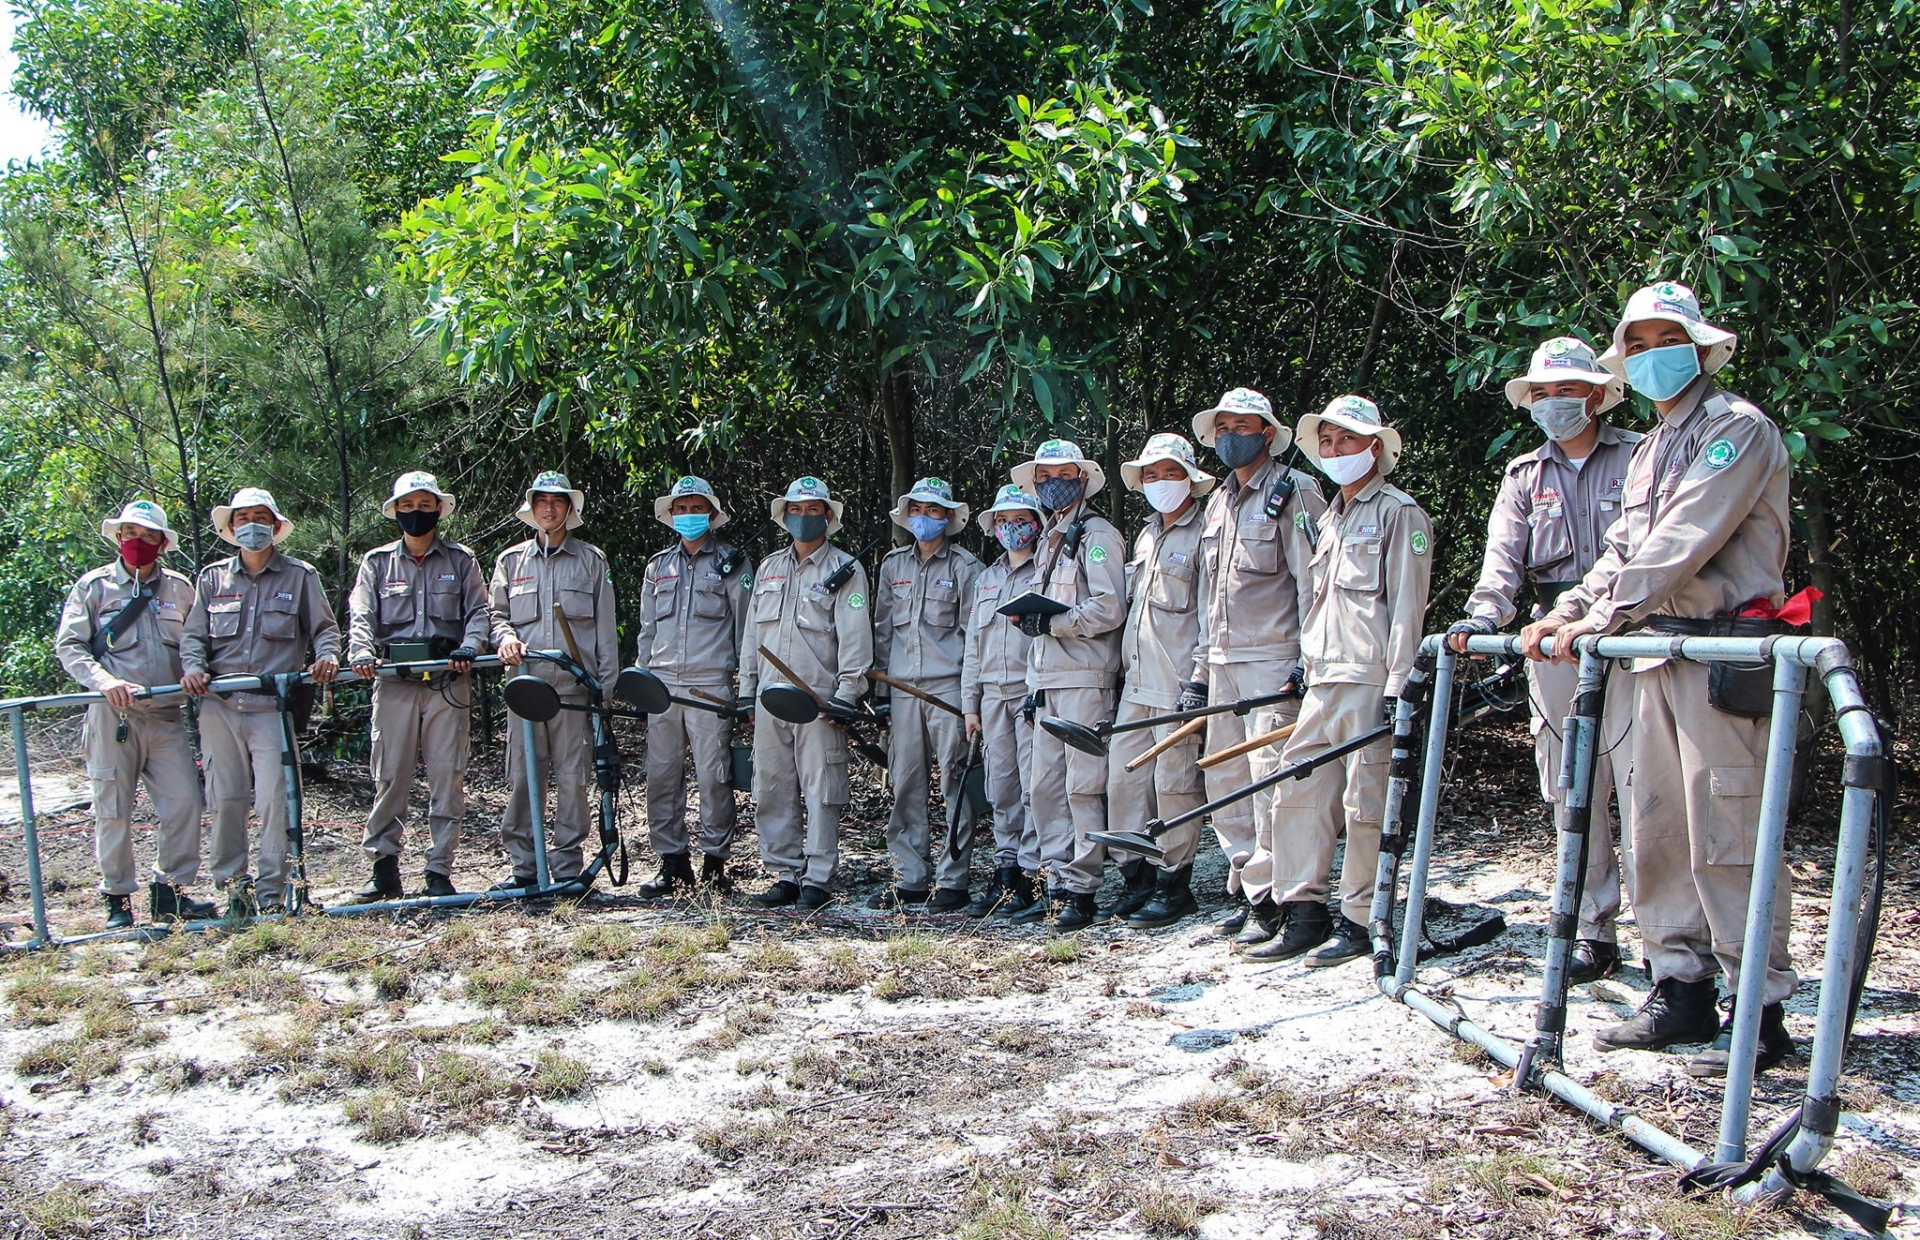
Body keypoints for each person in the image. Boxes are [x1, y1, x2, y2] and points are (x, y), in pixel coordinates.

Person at [1521, 281, 1796, 1077]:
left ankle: (1758, 1012)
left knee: (1729, 835)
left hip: (1721, 655)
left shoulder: (1734, 431)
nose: (1647, 356)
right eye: (1634, 345)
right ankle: (1679, 988)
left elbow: (1683, 540)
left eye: (1661, 340)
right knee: (1657, 832)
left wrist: (1596, 622)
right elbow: (1621, 550)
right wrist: (1568, 607)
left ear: (1702, 347)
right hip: (1649, 655)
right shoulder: (1646, 450)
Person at [1448, 337, 1641, 984]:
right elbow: (1503, 561)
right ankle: (1593, 930)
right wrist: (1483, 617)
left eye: (1568, 390)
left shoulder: (1642, 457)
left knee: (1650, 789)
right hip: (1552, 641)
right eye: (1545, 393)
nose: (1556, 402)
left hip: (1636, 633)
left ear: (1596, 393)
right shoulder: (1525, 475)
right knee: (1571, 787)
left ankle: (1678, 949)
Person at [1243, 396, 1432, 966]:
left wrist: (1402, 685)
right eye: (1326, 441)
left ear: (1376, 446)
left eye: (1346, 440)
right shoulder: (1329, 517)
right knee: (1297, 790)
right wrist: (1304, 668)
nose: (1334, 450)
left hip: (1371, 680)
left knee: (1365, 802)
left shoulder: (1401, 513)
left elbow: (1406, 607)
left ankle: (1359, 919)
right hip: (1323, 679)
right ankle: (1304, 912)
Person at [1186, 388, 1327, 943]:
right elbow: (1207, 597)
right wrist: (1200, 669)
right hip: (1221, 660)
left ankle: (1296, 902)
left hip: (1273, 660)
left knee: (1274, 782)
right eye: (1221, 428)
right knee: (1226, 779)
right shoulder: (1217, 503)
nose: (1228, 436)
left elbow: (1314, 583)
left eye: (1240, 426)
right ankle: (1255, 894)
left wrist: (1305, 661)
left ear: (1268, 433)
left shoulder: (1295, 492)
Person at [180, 488, 341, 915]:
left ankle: (274, 893)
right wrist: (194, 666)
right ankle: (235, 889)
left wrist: (327, 656)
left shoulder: (300, 576)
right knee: (225, 799)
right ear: (232, 527)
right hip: (219, 707)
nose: (252, 524)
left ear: (275, 524)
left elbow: (324, 628)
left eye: (260, 516)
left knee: (276, 800)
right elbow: (193, 636)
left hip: (272, 706)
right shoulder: (212, 579)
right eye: (243, 517)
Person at [54, 501, 214, 928]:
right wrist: (103, 680)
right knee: (113, 809)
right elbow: (69, 646)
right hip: (111, 717)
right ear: (117, 537)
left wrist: (196, 668)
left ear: (162, 544)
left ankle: (172, 892)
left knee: (185, 803)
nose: (137, 542)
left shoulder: (180, 589)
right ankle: (117, 900)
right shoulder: (93, 586)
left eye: (147, 536)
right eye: (130, 533)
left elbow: (198, 642)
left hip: (165, 716)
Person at [346, 471, 492, 902]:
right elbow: (360, 615)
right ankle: (384, 868)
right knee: (390, 774)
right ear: (395, 511)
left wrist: (469, 646)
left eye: (425, 506)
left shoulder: (461, 560)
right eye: (408, 506)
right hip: (394, 683)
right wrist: (360, 652)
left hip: (448, 681)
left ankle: (439, 869)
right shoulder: (376, 563)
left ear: (438, 510)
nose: (416, 514)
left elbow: (480, 611)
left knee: (448, 775)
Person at [1091, 433, 1215, 929]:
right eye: (1152, 474)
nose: (1160, 483)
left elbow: (1212, 613)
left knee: (1175, 785)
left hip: (1177, 683)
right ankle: (1135, 878)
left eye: (1171, 473)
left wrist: (1201, 679)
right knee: (1123, 782)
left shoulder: (1205, 533)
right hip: (1136, 683)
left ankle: (1173, 882)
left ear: (1190, 477)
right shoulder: (1143, 535)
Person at [1002, 440, 1127, 929]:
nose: (1055, 483)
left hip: (1085, 678)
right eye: (1046, 476)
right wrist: (1034, 683)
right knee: (1045, 788)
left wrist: (1056, 624)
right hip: (1049, 679)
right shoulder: (1051, 536)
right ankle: (1054, 883)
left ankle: (1081, 888)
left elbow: (1109, 606)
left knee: (1082, 788)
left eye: (1064, 474)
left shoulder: (1097, 535)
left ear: (1083, 477)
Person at [737, 476, 873, 910]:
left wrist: (848, 693)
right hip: (770, 698)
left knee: (821, 789)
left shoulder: (846, 569)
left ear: (828, 517)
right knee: (772, 786)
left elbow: (855, 638)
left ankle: (817, 877)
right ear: (785, 516)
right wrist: (747, 690)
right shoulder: (768, 568)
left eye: (814, 510)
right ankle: (784, 873)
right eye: (796, 510)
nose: (804, 517)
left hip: (818, 701)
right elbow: (751, 636)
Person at [488, 472, 618, 892]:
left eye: (558, 501)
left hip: (573, 693)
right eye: (541, 500)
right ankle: (525, 866)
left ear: (569, 508)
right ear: (532, 507)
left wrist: (606, 691)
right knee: (525, 777)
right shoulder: (510, 562)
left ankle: (566, 869)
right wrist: (506, 638)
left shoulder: (591, 561)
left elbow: (605, 631)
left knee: (572, 778)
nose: (549, 508)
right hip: (525, 690)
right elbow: (496, 616)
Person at [633, 475, 751, 897]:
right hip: (661, 684)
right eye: (681, 509)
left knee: (714, 776)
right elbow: (647, 631)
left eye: (696, 508)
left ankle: (716, 865)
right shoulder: (656, 567)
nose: (688, 516)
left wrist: (746, 683)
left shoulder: (732, 562)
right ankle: (673, 864)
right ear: (670, 516)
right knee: (662, 775)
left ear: (713, 515)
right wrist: (640, 678)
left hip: (709, 684)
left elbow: (746, 627)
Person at [870, 478, 984, 911]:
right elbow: (883, 632)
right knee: (906, 783)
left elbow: (975, 638)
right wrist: (881, 693)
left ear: (949, 518)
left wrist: (971, 698)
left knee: (955, 782)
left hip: (948, 689)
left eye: (934, 511)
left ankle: (954, 880)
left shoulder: (966, 567)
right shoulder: (893, 565)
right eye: (917, 510)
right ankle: (910, 877)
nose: (925, 518)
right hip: (901, 690)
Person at [960, 485, 1045, 918]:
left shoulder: (1046, 567)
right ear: (993, 527)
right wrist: (969, 704)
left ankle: (1033, 872)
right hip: (991, 695)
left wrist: (1041, 691)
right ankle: (1005, 868)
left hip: (1030, 695)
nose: (1013, 529)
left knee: (1035, 786)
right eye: (1004, 521)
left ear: (1036, 523)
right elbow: (974, 645)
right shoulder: (987, 578)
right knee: (1001, 787)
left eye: (1021, 520)